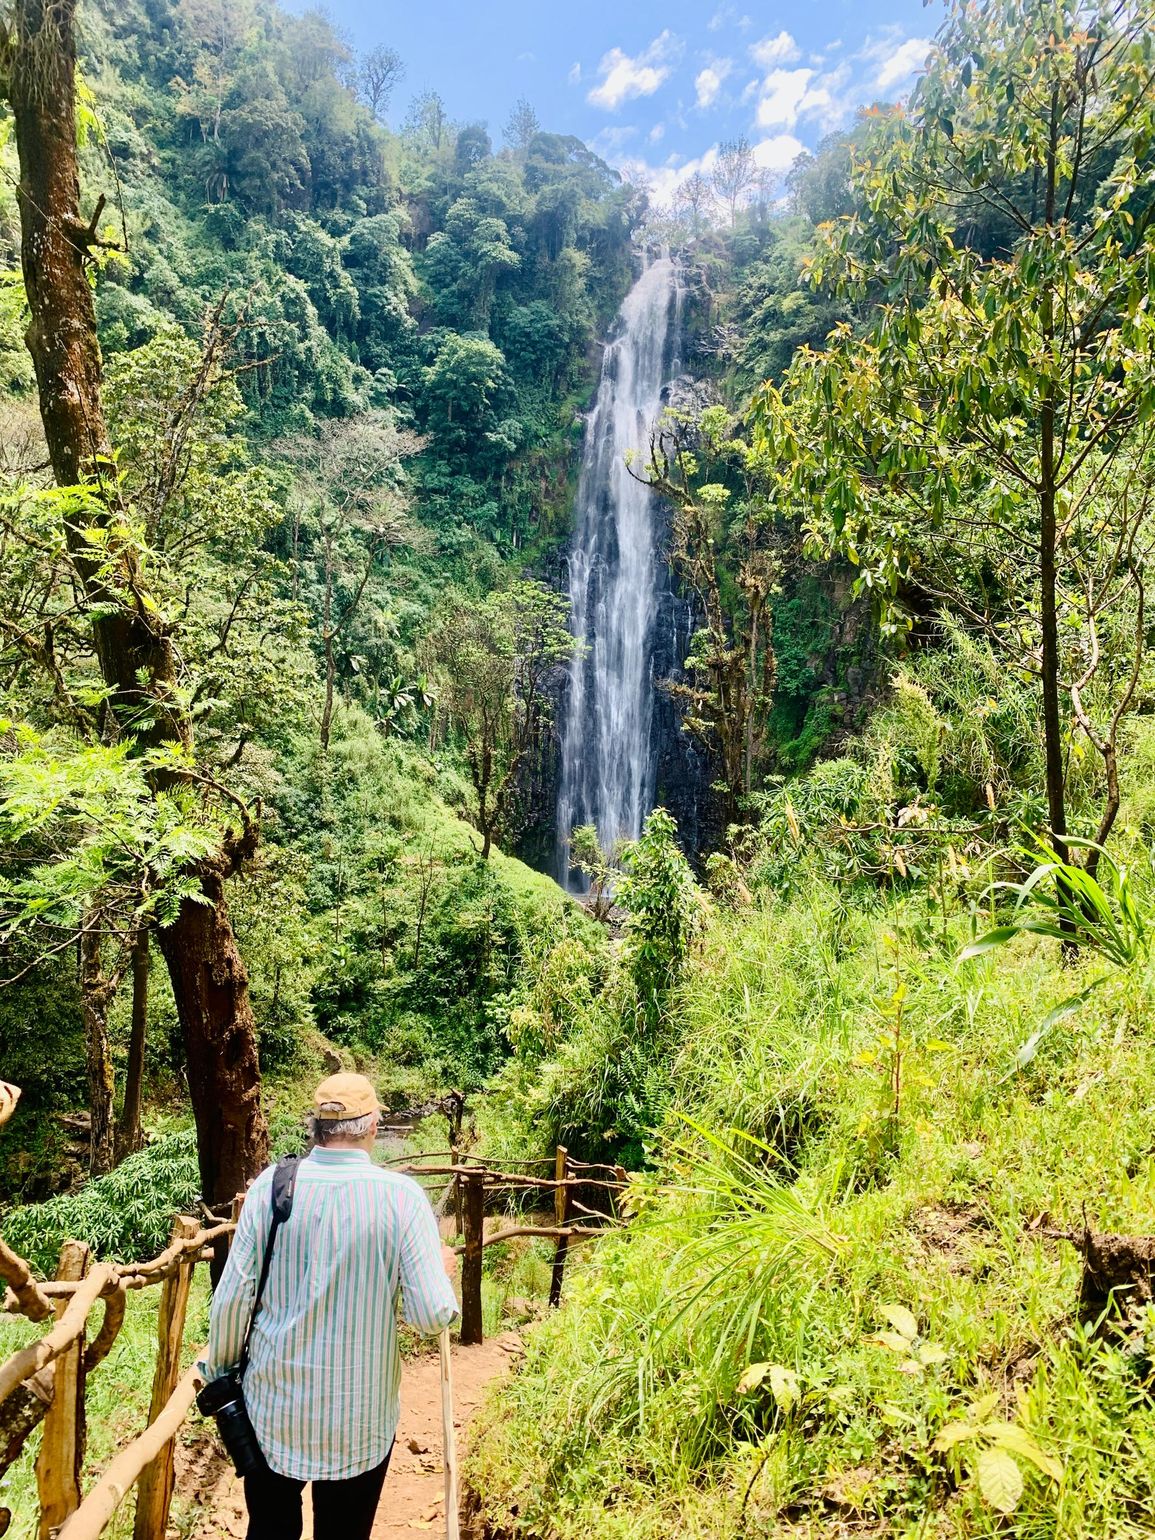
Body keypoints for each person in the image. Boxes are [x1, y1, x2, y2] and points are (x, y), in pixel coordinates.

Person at [202, 1073, 459, 1540]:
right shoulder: (403, 1199)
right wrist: (442, 1271)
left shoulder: (270, 1187)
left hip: (270, 1411)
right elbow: (430, 1316)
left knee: (270, 1530)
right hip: (360, 1419)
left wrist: (219, 1372)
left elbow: (234, 1295)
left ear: (316, 1128)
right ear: (374, 1126)